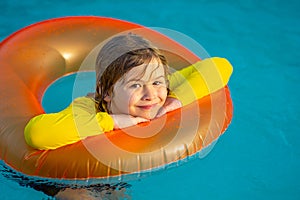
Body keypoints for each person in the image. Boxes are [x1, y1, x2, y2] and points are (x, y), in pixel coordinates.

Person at [23, 33, 233, 199]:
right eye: (135, 85)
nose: (150, 95)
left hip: (114, 172)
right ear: (106, 92)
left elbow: (221, 66)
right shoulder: (88, 109)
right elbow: (38, 134)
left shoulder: (163, 93)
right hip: (62, 178)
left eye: (157, 82)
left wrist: (175, 100)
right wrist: (112, 121)